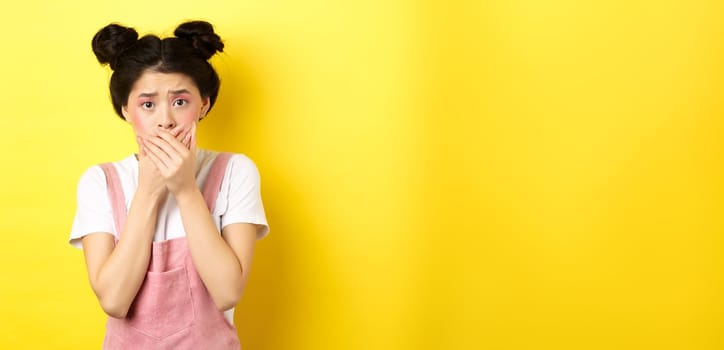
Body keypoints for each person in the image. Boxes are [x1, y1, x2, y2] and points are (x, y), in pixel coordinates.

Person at [69, 20, 269, 349]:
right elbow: (114, 301)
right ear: (126, 110)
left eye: (180, 102)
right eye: (148, 104)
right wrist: (149, 191)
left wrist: (185, 189)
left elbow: (227, 292)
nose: (165, 120)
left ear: (203, 104)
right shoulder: (101, 181)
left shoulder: (234, 171)